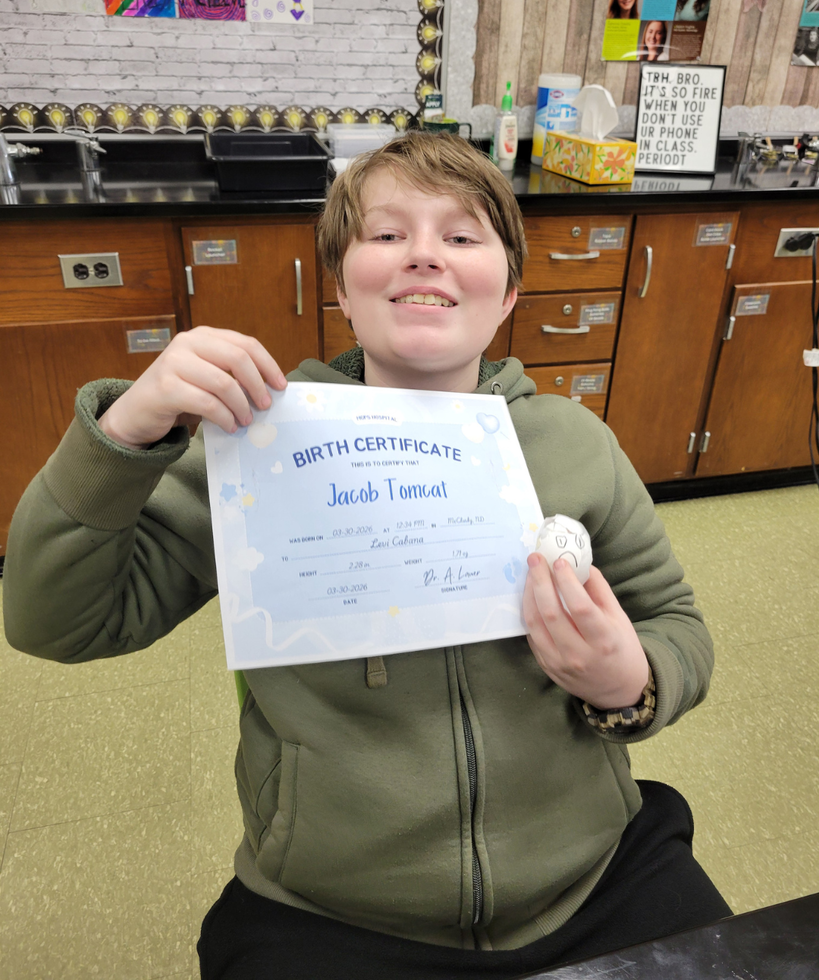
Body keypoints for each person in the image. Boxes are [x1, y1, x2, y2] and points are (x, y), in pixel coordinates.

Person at [3, 132, 731, 979]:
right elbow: (56, 622)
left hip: (596, 874)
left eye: (462, 237)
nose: (425, 255)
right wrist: (127, 432)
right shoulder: (256, 449)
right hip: (331, 909)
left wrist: (630, 682)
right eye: (387, 236)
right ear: (341, 286)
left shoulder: (574, 441)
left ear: (507, 295)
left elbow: (677, 624)